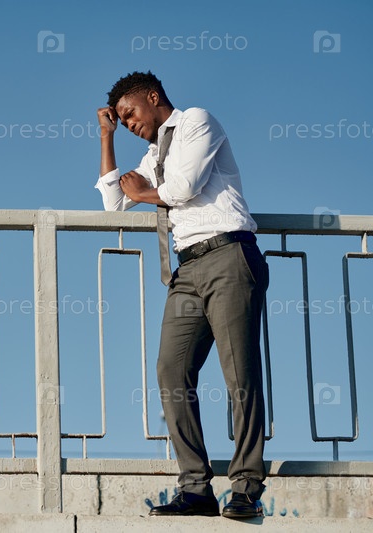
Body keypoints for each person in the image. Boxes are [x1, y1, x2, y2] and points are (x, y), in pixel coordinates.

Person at [94, 71, 269, 519]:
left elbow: (184, 188)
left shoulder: (197, 122)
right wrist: (107, 138)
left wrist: (144, 192)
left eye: (130, 114)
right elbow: (114, 203)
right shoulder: (154, 155)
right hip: (186, 269)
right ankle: (196, 489)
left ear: (153, 97)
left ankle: (246, 486)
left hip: (228, 254)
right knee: (171, 371)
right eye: (122, 120)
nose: (129, 123)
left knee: (239, 374)